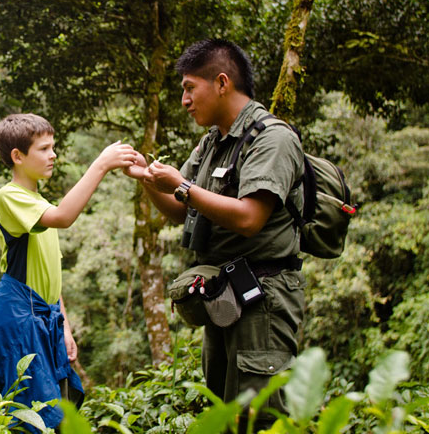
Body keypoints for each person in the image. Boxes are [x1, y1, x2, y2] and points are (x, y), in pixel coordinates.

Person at [125, 38, 306, 430]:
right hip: (225, 297)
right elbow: (179, 210)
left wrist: (183, 185)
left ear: (222, 82)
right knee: (225, 413)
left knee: (259, 414)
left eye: (191, 88)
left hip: (265, 299)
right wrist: (146, 180)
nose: (185, 100)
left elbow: (249, 218)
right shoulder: (213, 143)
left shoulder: (272, 138)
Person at [0, 113, 137, 429]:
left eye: (52, 147)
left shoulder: (38, 201)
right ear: (17, 156)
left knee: (53, 410)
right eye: (44, 148)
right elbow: (64, 216)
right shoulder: (10, 195)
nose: (53, 154)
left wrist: (66, 327)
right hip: (17, 319)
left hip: (43, 317)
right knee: (28, 416)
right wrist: (101, 164)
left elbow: (50, 276)